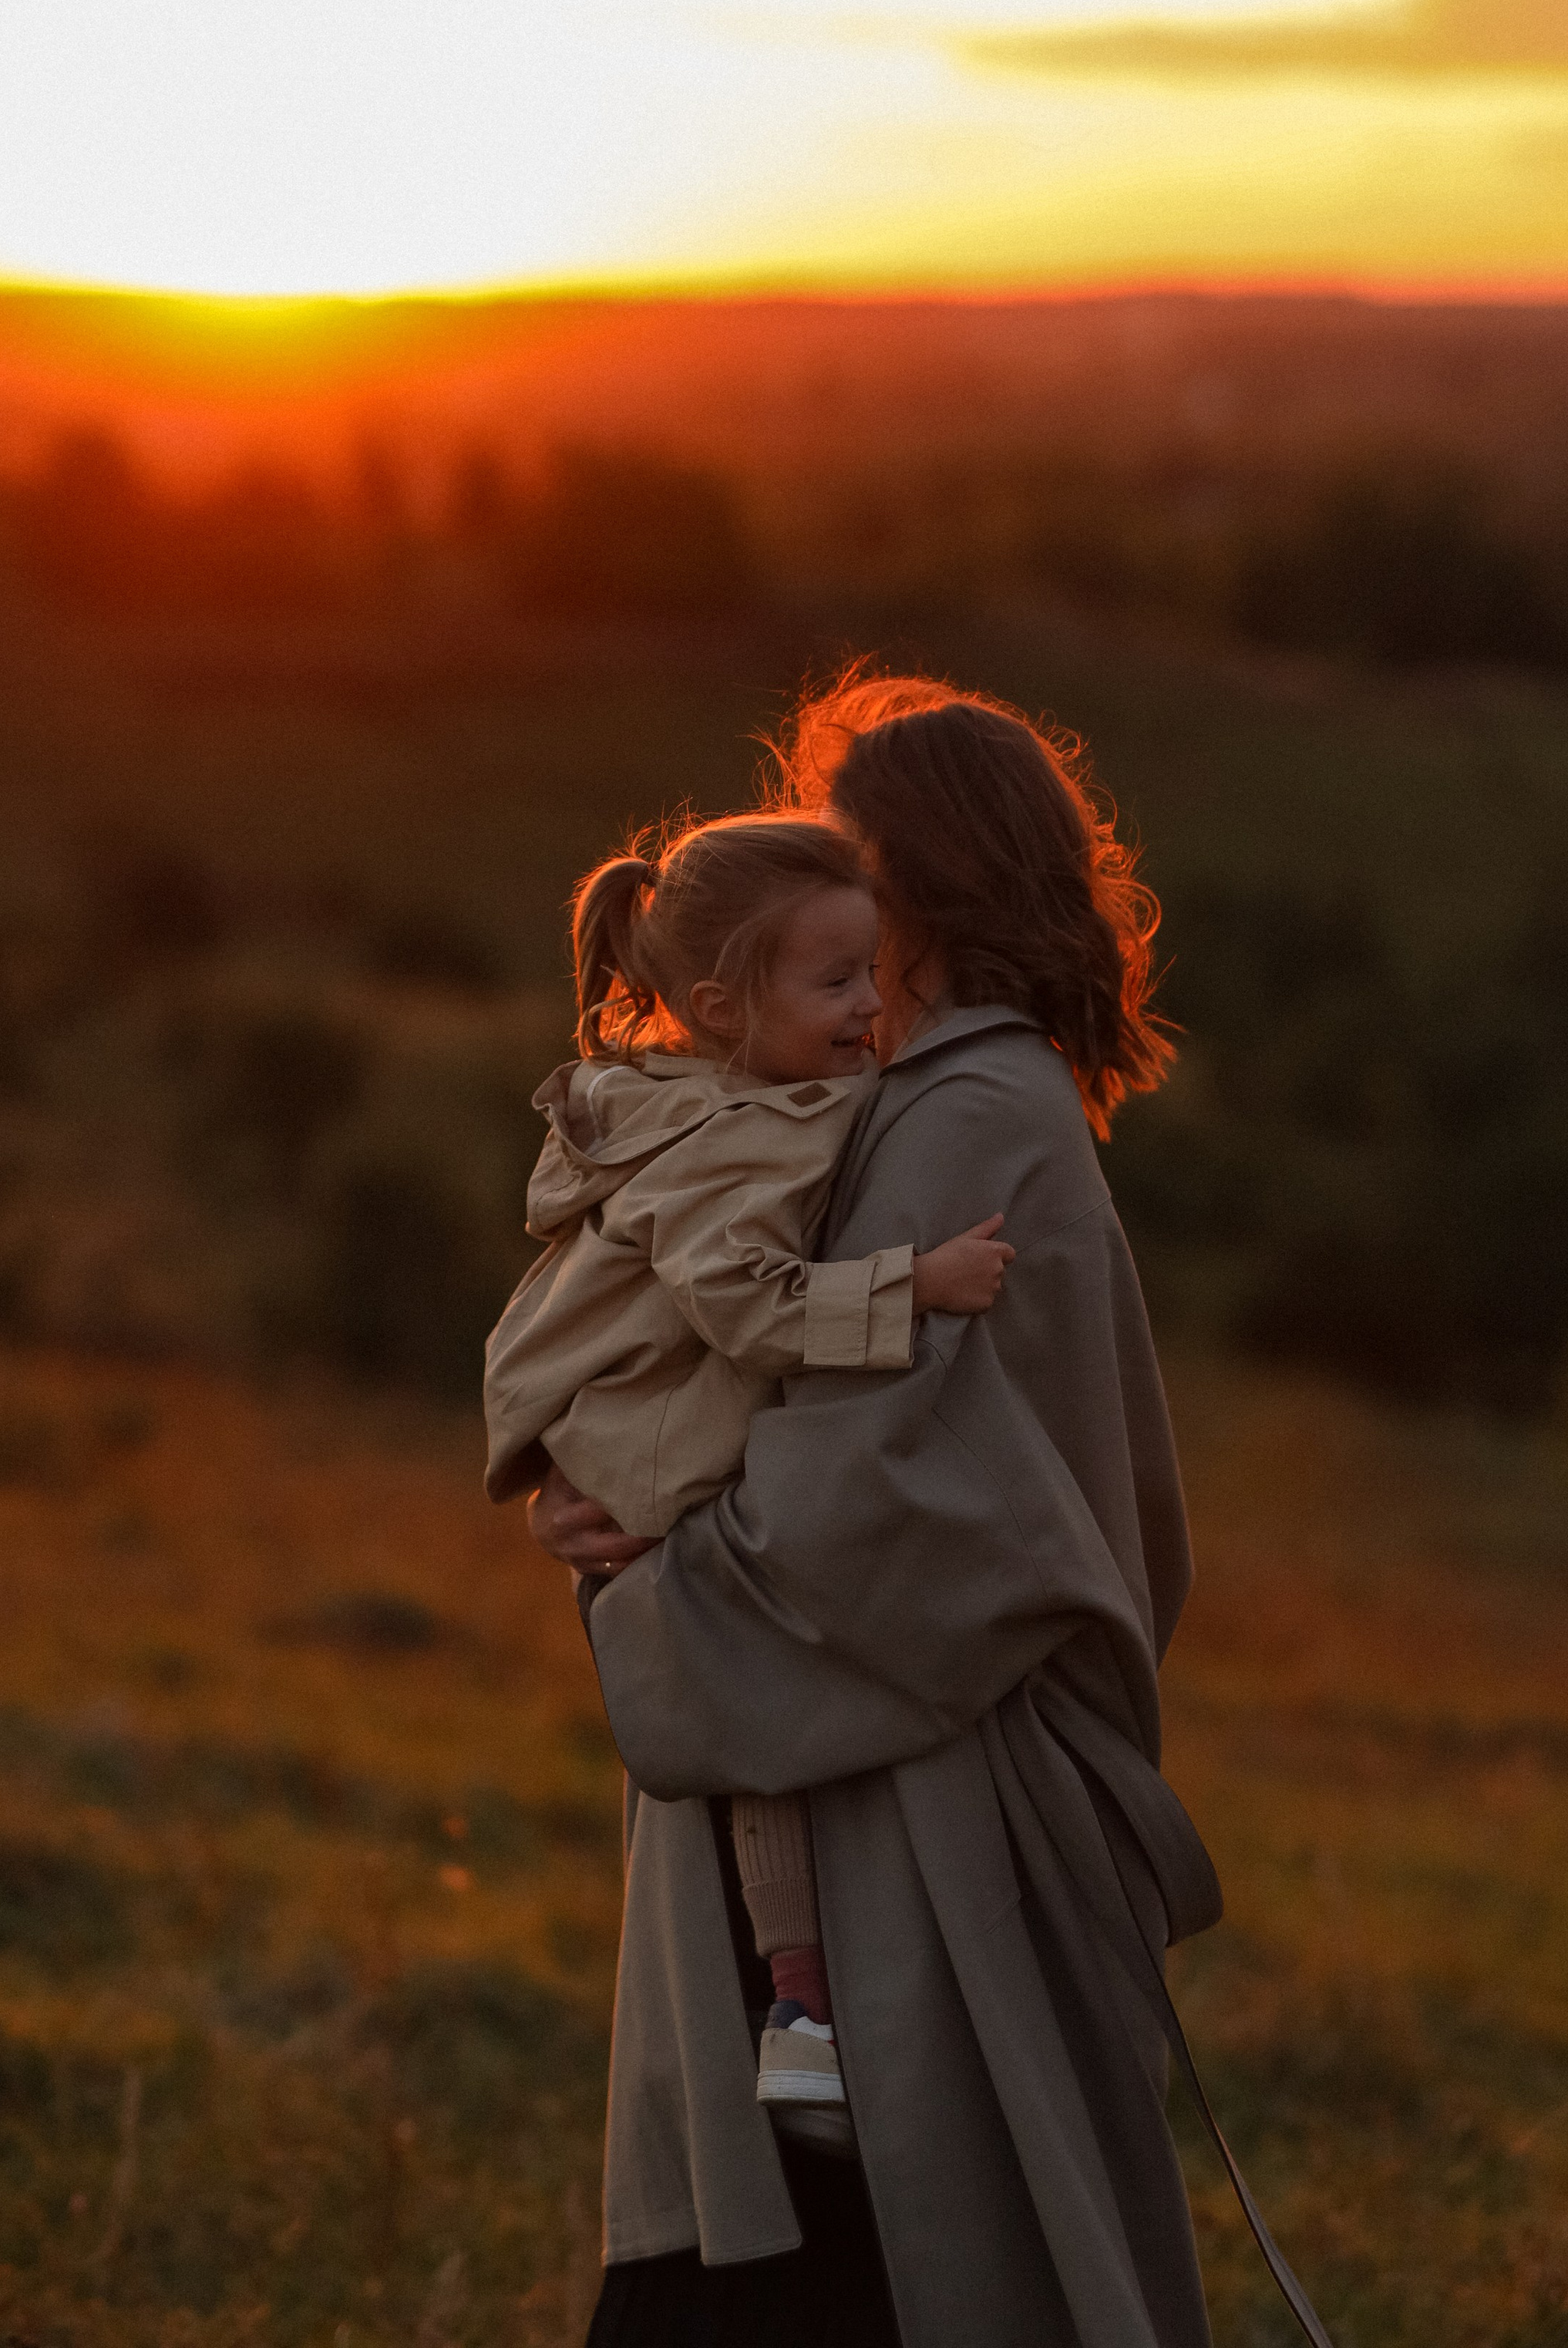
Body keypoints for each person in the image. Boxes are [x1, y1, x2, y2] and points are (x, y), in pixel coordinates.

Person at [530, 669, 1231, 2348]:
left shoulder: (965, 1112)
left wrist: (644, 1577)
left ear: (916, 891)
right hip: (852, 1785)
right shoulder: (930, 1104)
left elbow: (866, 1502)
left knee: (829, 2287)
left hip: (899, 1829)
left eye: (846, 866)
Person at [485, 810, 1014, 2141]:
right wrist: (917, 1284)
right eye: (834, 983)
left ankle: (807, 2010)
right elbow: (748, 1308)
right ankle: (803, 2010)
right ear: (722, 1006)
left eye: (873, 972)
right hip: (657, 1443)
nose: (867, 1006)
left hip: (635, 1424)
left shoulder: (733, 1091)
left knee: (760, 1704)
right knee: (758, 1719)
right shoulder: (736, 1137)